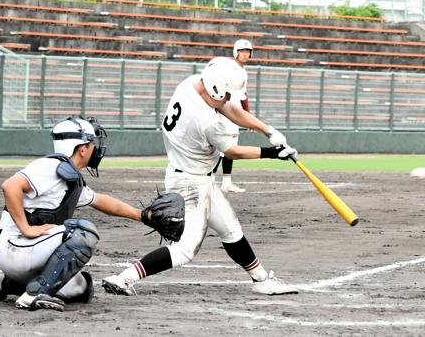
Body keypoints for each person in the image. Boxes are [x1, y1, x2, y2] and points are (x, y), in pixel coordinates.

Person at [102, 56, 299, 296]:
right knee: (185, 249)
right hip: (190, 183)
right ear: (215, 88)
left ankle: (261, 280)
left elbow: (230, 108)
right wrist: (272, 153)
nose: (228, 99)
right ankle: (124, 278)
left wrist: (268, 130)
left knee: (230, 229)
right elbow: (232, 151)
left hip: (196, 177)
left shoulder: (192, 83)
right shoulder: (205, 120)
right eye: (225, 93)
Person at [0, 116, 146, 312]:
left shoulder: (69, 177)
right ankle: (34, 295)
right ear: (82, 148)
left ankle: (6, 283)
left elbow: (100, 200)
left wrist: (143, 216)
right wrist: (26, 228)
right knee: (83, 233)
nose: (95, 148)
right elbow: (10, 186)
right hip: (14, 248)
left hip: (28, 253)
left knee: (82, 287)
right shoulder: (50, 167)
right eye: (91, 143)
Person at [218, 39, 253, 193]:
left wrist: (248, 116)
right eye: (242, 51)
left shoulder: (243, 72)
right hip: (225, 111)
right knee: (219, 147)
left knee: (231, 147)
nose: (245, 54)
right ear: (236, 52)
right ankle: (209, 181)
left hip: (235, 113)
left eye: (248, 52)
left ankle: (226, 182)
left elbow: (243, 95)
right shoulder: (228, 68)